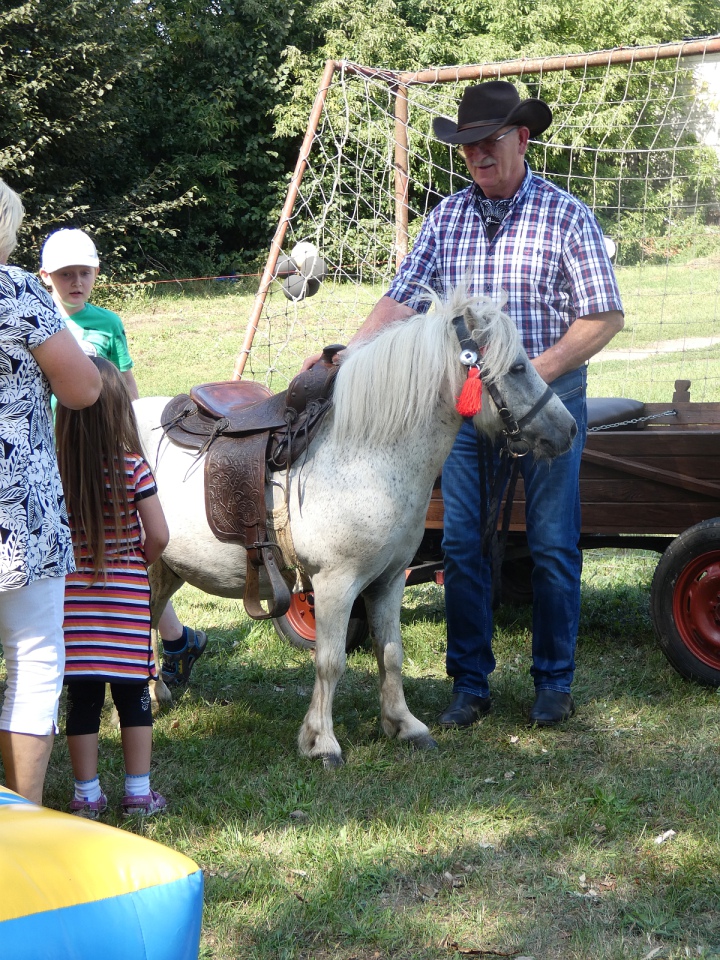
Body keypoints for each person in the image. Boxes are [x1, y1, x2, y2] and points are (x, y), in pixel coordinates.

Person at [342, 81, 624, 727]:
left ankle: (553, 682)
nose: (476, 155)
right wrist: (350, 354)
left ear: (522, 138)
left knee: (553, 545)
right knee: (463, 545)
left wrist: (526, 377)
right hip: (467, 408)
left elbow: (603, 317)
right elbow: (403, 297)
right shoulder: (447, 217)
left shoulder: (566, 214)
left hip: (548, 397)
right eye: (468, 146)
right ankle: (470, 685)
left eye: (489, 141)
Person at [39, 228, 207, 686]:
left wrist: (132, 443)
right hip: (55, 448)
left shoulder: (108, 323)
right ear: (46, 277)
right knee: (77, 547)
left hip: (101, 452)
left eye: (84, 273)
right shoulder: (40, 320)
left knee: (113, 548)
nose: (76, 282)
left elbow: (127, 390)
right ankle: (169, 640)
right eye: (65, 274)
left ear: (96, 274)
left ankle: (131, 644)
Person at [0, 179, 101, 804]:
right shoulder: (16, 293)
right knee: (33, 659)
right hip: (20, 508)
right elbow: (84, 389)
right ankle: (21, 823)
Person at [56, 357, 170, 818]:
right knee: (133, 697)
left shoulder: (57, 473)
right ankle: (138, 793)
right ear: (119, 410)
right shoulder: (133, 469)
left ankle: (87, 797)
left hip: (71, 605)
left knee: (81, 699)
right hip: (125, 604)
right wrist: (134, 563)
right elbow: (159, 535)